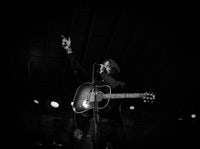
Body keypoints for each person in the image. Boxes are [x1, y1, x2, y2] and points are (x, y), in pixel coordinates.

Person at [62, 35, 127, 149]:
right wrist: (69, 50)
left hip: (116, 124)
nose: (104, 67)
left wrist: (103, 73)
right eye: (104, 66)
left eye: (108, 66)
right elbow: (78, 68)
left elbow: (115, 87)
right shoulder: (95, 83)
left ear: (113, 70)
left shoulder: (119, 83)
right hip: (97, 123)